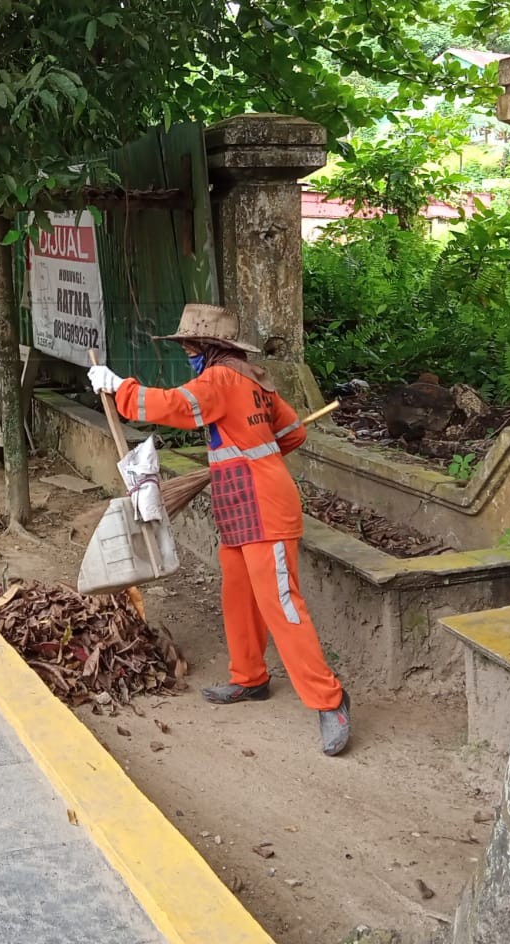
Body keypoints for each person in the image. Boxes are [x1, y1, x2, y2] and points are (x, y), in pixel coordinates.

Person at [87, 303, 352, 756]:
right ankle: (250, 679)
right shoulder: (254, 378)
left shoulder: (220, 379)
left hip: (263, 507)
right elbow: (293, 432)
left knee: (282, 605)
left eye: (190, 344)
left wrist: (119, 387)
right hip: (242, 503)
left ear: (208, 347)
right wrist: (252, 454)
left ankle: (331, 700)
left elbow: (176, 406)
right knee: (240, 596)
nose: (187, 351)